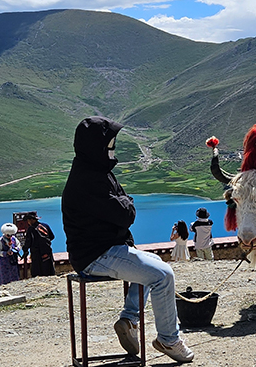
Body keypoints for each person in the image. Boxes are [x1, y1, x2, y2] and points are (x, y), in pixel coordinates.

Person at [61, 116, 193, 363]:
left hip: (102, 250)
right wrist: (126, 204)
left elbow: (122, 208)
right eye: (110, 143)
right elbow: (125, 213)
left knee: (151, 265)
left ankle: (129, 319)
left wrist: (124, 204)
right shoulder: (89, 179)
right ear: (97, 145)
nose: (113, 148)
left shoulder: (94, 170)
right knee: (163, 275)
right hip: (96, 255)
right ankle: (169, 340)